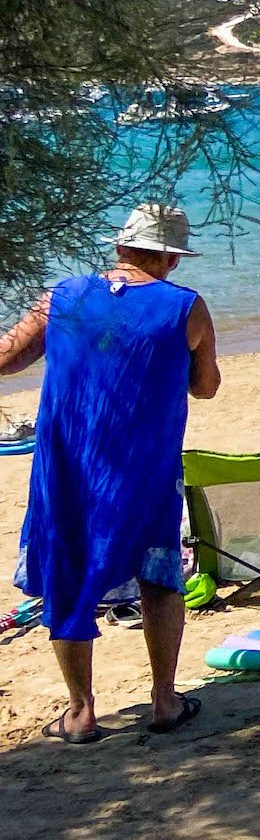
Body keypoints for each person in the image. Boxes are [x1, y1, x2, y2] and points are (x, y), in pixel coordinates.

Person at [2, 205, 219, 743]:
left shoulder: (62, 297)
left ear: (120, 247)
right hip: (143, 463)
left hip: (68, 464)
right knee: (158, 571)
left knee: (66, 570)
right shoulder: (186, 307)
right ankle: (165, 701)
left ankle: (80, 712)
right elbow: (207, 385)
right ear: (170, 255)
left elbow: (6, 358)